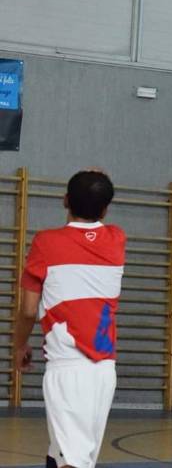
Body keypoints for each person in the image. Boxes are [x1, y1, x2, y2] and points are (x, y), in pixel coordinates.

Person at [14, 170, 125, 468]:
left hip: (68, 369)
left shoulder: (46, 243)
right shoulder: (117, 239)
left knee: (71, 462)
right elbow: (97, 194)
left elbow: (28, 310)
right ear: (105, 209)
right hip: (104, 370)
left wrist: (20, 345)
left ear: (65, 200)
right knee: (62, 453)